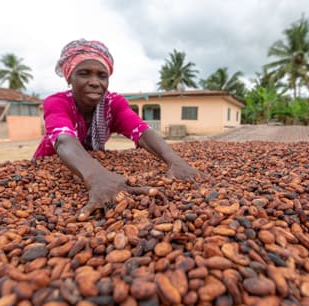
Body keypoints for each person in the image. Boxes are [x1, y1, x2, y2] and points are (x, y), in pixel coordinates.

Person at [34, 39, 200, 221]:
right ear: (69, 78)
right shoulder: (57, 102)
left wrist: (175, 161)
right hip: (51, 165)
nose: (95, 82)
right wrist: (97, 177)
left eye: (102, 76)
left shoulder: (113, 104)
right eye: (84, 74)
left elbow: (142, 131)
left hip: (93, 163)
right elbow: (64, 140)